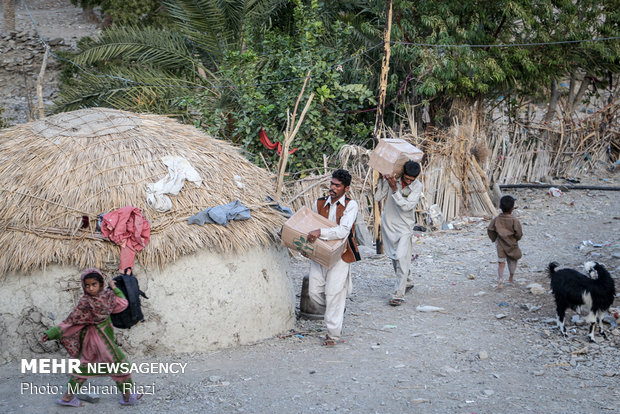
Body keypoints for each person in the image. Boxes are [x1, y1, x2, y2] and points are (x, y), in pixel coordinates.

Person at [42, 268, 143, 406]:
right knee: (120, 363)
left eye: (94, 284)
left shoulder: (107, 296)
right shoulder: (86, 303)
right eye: (87, 285)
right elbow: (71, 321)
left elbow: (122, 303)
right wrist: (51, 333)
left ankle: (68, 397)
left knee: (84, 367)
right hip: (100, 341)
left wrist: (114, 288)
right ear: (84, 285)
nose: (90, 288)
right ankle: (128, 396)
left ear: (101, 284)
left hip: (91, 342)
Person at [306, 169, 360, 346]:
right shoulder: (319, 203)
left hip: (341, 254)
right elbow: (311, 225)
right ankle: (335, 310)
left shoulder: (351, 205)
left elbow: (344, 230)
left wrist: (320, 232)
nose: (333, 188)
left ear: (346, 188)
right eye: (332, 184)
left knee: (333, 292)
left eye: (337, 185)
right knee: (314, 291)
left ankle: (332, 334)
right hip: (320, 253)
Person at [374, 160, 423, 306]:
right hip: (389, 224)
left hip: (405, 227)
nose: (408, 182)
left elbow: (407, 207)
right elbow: (377, 197)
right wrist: (383, 180)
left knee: (402, 257)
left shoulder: (417, 186)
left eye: (411, 180)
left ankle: (398, 294)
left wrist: (395, 189)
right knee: (395, 257)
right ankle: (407, 281)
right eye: (406, 179)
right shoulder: (393, 180)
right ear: (403, 174)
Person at [487, 195, 523, 290]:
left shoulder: (497, 219)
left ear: (500, 207)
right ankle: (511, 278)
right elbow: (519, 233)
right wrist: (516, 238)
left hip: (500, 244)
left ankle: (500, 279)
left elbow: (490, 229)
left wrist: (494, 238)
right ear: (512, 208)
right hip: (512, 244)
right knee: (512, 260)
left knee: (501, 262)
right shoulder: (514, 220)